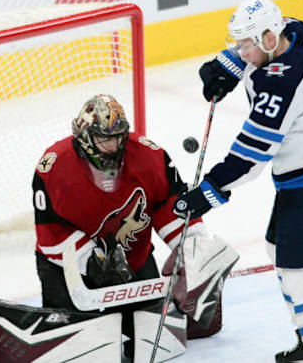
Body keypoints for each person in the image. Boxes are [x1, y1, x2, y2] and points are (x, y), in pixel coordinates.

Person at [172, 0, 303, 363]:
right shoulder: (298, 32)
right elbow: (267, 43)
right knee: (277, 249)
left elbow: (250, 158)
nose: (243, 51)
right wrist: (230, 64)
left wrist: (210, 191)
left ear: (270, 38)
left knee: (301, 271)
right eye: (240, 44)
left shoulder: (281, 86)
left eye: (248, 45)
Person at [33, 94, 233, 360]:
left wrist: (191, 250)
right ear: (84, 137)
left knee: (149, 336)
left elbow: (170, 206)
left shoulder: (150, 156)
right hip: (69, 268)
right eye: (106, 138)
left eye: (119, 136)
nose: (115, 145)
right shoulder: (54, 166)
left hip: (133, 260)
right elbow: (50, 231)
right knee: (81, 344)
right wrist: (92, 262)